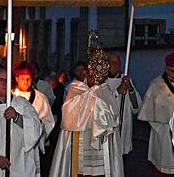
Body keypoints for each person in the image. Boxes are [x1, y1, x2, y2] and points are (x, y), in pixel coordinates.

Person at [49, 47, 123, 176]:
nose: (95, 76)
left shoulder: (104, 90)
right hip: (79, 143)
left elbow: (113, 117)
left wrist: (97, 98)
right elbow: (68, 114)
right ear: (87, 72)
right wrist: (90, 97)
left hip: (101, 146)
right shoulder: (75, 88)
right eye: (92, 72)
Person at [138, 52, 174, 177]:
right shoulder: (155, 85)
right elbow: (148, 113)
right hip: (163, 133)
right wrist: (161, 128)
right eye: (172, 71)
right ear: (166, 68)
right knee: (163, 166)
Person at [12, 61, 56, 176]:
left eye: (29, 78)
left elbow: (49, 121)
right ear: (16, 79)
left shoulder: (41, 98)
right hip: (15, 147)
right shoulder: (10, 97)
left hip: (35, 145)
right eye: (23, 79)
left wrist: (39, 128)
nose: (26, 82)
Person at [105, 52, 140, 159]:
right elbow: (101, 105)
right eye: (112, 62)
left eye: (118, 62)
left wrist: (130, 89)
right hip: (108, 129)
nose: (116, 65)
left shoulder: (125, 80)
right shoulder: (102, 82)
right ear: (107, 64)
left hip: (124, 128)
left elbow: (136, 107)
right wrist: (117, 92)